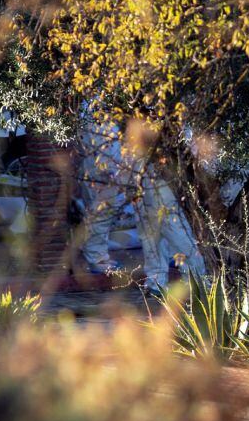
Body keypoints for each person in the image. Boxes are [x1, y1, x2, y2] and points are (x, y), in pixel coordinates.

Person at [77, 110, 206, 292]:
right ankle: (160, 284)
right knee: (156, 234)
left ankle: (193, 283)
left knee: (173, 233)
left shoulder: (166, 116)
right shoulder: (132, 115)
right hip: (145, 182)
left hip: (160, 181)